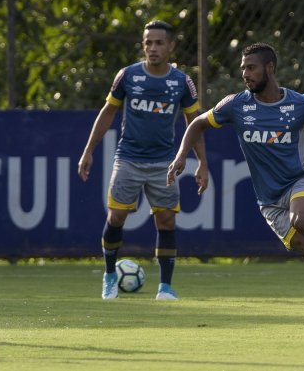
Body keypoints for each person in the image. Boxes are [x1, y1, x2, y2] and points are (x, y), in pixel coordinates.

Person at [167, 43, 304, 328]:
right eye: (243, 68)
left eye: (251, 67)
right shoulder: (236, 104)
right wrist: (183, 157)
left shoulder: (300, 104)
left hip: (300, 180)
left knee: (302, 220)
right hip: (268, 200)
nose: (245, 73)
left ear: (270, 68)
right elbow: (197, 125)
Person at [78, 20, 208, 301]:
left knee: (167, 221)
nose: (152, 48)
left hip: (164, 163)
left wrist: (202, 164)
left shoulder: (181, 81)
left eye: (159, 42)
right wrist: (88, 150)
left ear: (171, 46)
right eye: (148, 42)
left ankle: (166, 287)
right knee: (116, 216)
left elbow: (194, 123)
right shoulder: (127, 76)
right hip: (128, 158)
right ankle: (110, 275)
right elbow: (107, 112)